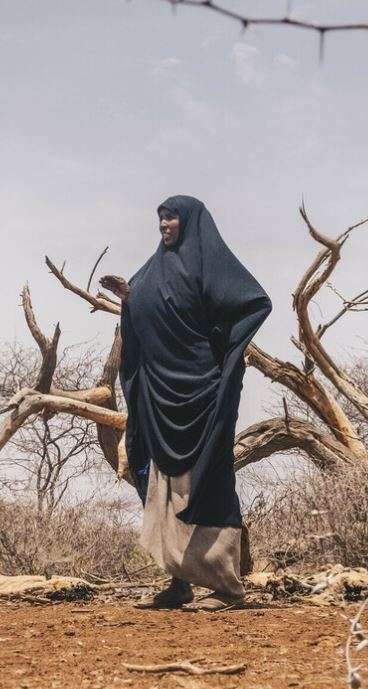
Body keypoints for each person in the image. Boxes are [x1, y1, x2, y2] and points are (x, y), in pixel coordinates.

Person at [100, 196, 271, 611]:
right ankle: (179, 583)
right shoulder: (150, 271)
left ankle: (227, 588)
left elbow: (253, 302)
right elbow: (144, 314)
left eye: (172, 217)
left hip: (203, 393)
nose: (164, 224)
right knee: (161, 484)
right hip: (160, 396)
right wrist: (128, 297)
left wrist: (226, 351)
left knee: (207, 481)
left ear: (190, 221)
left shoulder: (209, 264)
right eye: (160, 217)